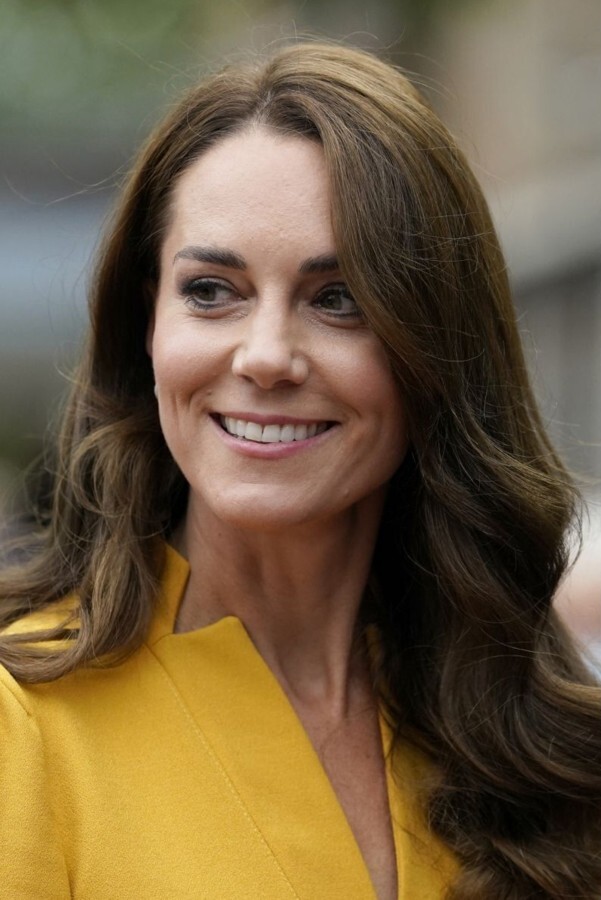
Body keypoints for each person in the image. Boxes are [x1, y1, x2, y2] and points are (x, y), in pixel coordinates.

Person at [1, 41, 600, 900]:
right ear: (147, 323)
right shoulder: (23, 721)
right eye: (211, 291)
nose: (266, 356)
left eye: (338, 299)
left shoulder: (540, 741)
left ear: (436, 345)